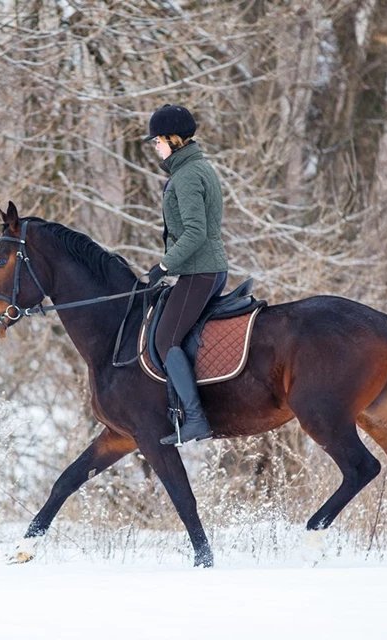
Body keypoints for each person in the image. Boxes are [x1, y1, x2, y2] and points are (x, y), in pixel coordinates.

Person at [143, 104, 229, 446]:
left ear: (173, 139)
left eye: (158, 141)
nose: (155, 147)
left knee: (165, 340)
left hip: (200, 271)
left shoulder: (188, 175)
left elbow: (195, 232)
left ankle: (195, 419)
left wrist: (164, 266)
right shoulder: (196, 167)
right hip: (206, 269)